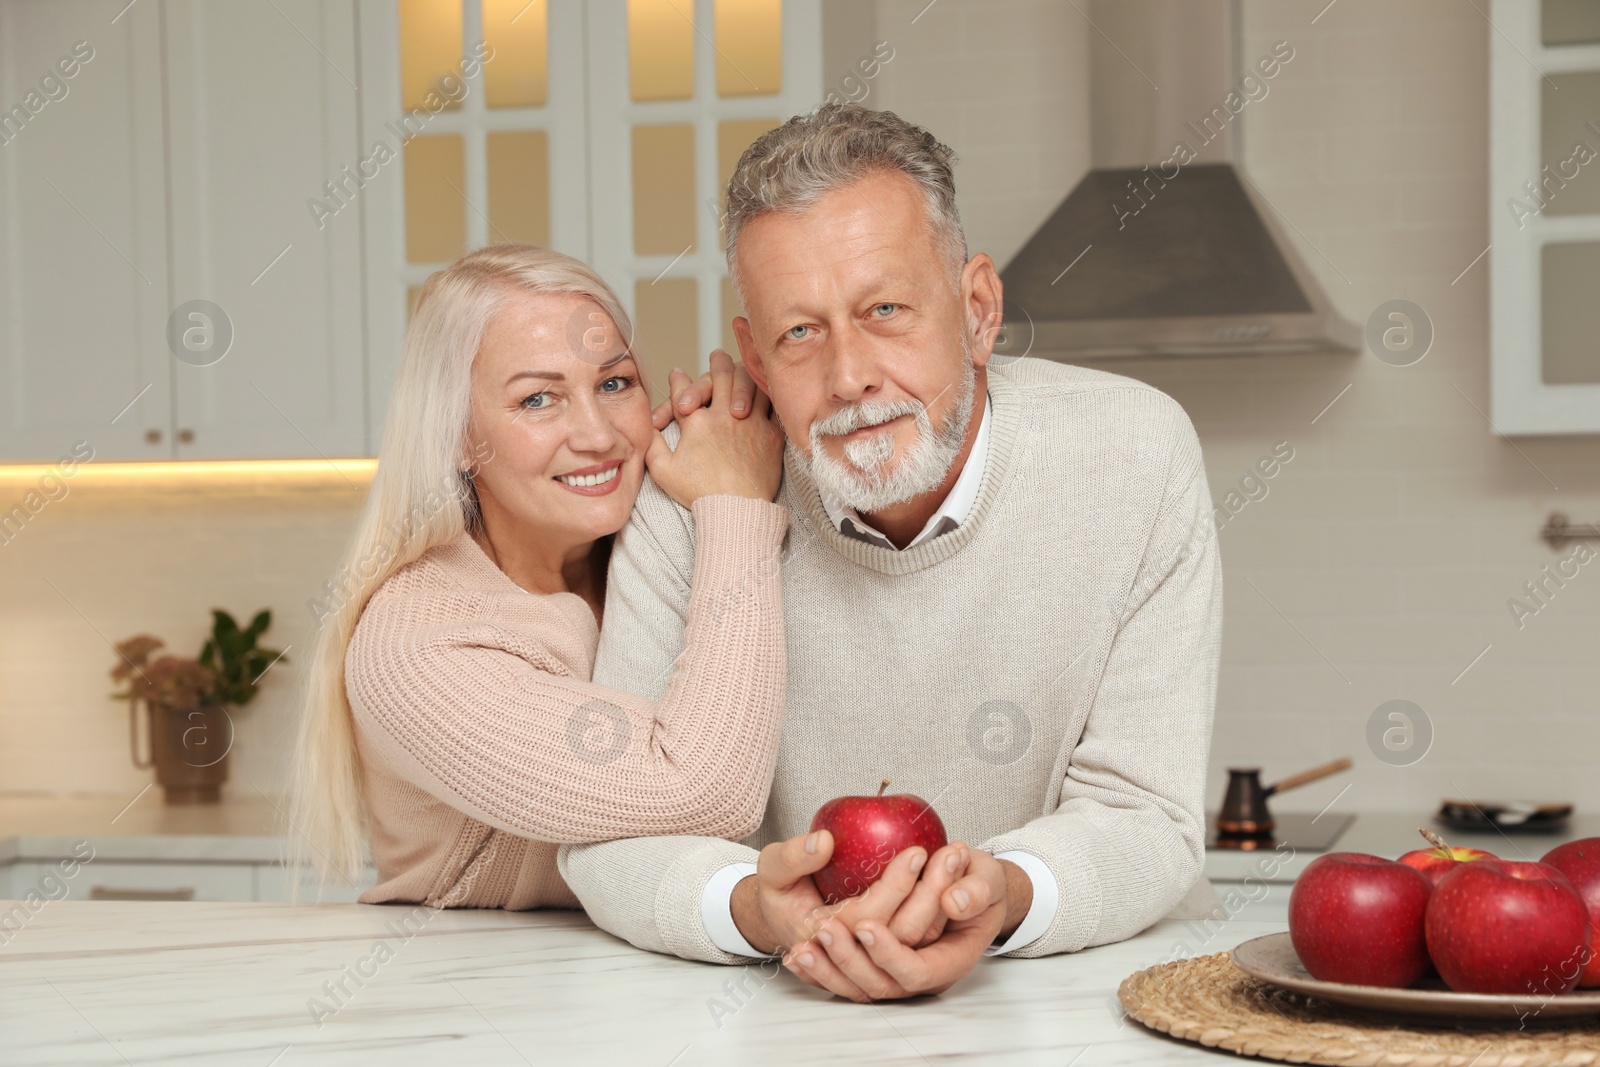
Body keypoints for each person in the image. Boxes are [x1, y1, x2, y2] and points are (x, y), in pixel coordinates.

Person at [558, 104, 1225, 1001]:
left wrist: (1003, 897)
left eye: (885, 310)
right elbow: (609, 829)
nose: (849, 377)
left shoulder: (1136, 454)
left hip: (1084, 1004)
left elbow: (1149, 816)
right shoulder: (692, 493)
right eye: (801, 332)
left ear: (978, 309)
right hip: (773, 1013)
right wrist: (755, 911)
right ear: (754, 356)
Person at [287, 244, 790, 911]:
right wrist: (738, 504)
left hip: (653, 972)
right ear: (460, 436)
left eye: (614, 383)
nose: (597, 434)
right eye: (538, 399)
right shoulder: (415, 647)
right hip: (474, 986)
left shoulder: (654, 550)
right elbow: (709, 794)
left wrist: (729, 442)